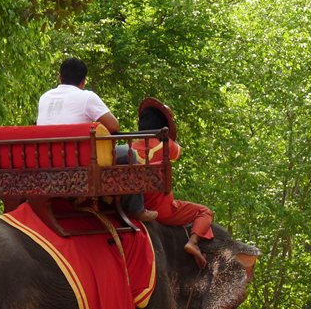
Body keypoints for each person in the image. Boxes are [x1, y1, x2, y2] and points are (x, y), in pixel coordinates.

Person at [37, 57, 157, 223]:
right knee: (129, 153)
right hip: (79, 161)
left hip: (45, 159)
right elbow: (114, 125)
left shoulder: (45, 97)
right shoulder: (86, 97)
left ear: (60, 77)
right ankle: (136, 209)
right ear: (83, 81)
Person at [123, 98, 215, 269]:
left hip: (133, 204)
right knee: (204, 211)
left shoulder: (128, 148)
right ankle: (193, 242)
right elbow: (178, 152)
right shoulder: (166, 146)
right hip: (162, 210)